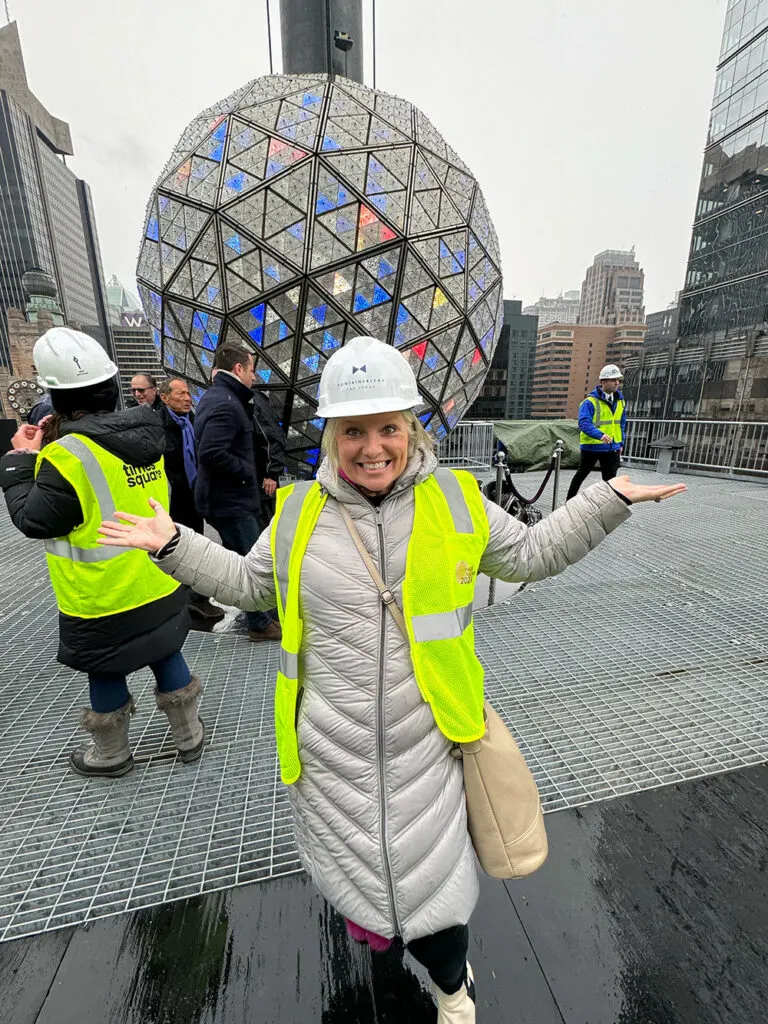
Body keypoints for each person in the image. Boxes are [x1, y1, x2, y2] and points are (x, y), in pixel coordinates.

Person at [98, 336, 686, 1022]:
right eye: (354, 430)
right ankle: (397, 961)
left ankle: (451, 990)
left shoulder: (455, 500)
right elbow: (247, 582)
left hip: (430, 743)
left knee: (436, 904)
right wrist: (173, 544)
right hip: (330, 750)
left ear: (411, 429)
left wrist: (606, 502)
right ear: (331, 436)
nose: (372, 447)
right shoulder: (296, 514)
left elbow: (531, 553)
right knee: (363, 901)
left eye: (388, 428)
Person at [0, 327, 205, 778]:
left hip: (101, 596)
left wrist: (18, 466)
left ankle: (111, 755)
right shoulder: (147, 437)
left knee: (106, 670)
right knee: (167, 652)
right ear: (113, 388)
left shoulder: (66, 455)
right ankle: (189, 737)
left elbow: (35, 520)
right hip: (157, 577)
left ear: (56, 398)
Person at [194, 345, 280, 642]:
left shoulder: (216, 397)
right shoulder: (226, 403)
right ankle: (260, 622)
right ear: (239, 369)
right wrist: (248, 472)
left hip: (222, 499)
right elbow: (211, 452)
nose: (255, 377)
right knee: (254, 562)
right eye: (252, 369)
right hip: (232, 501)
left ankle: (256, 613)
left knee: (240, 559)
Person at [157, 377, 225, 629]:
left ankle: (197, 599)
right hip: (173, 500)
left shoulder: (192, 421)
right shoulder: (158, 426)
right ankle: (181, 604)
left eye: (188, 393)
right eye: (181, 394)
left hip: (195, 494)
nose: (187, 398)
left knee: (196, 546)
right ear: (165, 398)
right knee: (177, 550)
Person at [566, 363, 627, 500]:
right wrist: (600, 435)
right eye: (613, 380)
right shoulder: (590, 402)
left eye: (618, 380)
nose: (616, 383)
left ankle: (606, 506)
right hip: (592, 446)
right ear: (603, 382)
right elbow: (584, 423)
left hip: (612, 447)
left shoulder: (620, 401)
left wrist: (621, 442)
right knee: (581, 474)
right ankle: (569, 501)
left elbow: (621, 423)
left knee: (610, 481)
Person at [252, 385, 287, 527]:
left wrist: (271, 473)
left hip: (262, 481)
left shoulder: (252, 400)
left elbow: (272, 437)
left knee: (264, 525)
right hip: (255, 479)